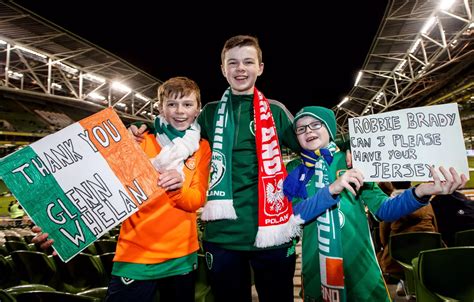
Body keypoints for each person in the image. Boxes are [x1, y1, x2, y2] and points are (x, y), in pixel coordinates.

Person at [32, 76, 211, 302]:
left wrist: (177, 187)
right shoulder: (137, 140)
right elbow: (96, 186)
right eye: (172, 104)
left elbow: (196, 200)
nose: (180, 111)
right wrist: (58, 225)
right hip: (135, 256)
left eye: (187, 104)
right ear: (160, 108)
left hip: (181, 257)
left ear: (198, 110)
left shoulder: (202, 148)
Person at [283, 106, 467, 301]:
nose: (308, 131)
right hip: (316, 266)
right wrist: (331, 190)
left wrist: (421, 191)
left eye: (315, 124)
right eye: (301, 129)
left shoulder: (352, 161)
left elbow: (384, 209)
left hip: (359, 265)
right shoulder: (294, 169)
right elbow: (294, 215)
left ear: (329, 128)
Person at [196, 34, 303, 302]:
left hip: (272, 233)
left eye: (247, 62)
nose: (240, 68)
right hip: (222, 235)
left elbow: (312, 145)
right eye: (232, 63)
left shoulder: (276, 111)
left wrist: (347, 151)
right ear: (223, 69)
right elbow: (176, 143)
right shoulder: (208, 113)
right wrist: (146, 130)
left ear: (260, 67)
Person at [377, 181, 438, 296]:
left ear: (393, 185)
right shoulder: (427, 204)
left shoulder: (388, 205)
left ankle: (405, 281)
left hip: (398, 255)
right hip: (427, 251)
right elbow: (435, 226)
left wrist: (386, 247)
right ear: (410, 184)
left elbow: (383, 235)